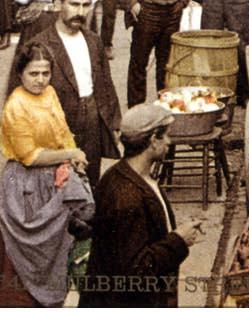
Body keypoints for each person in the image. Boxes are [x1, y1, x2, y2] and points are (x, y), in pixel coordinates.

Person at [0, 43, 97, 308]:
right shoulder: (16, 105)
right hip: (24, 185)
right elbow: (30, 156)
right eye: (34, 74)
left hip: (55, 177)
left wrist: (72, 157)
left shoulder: (50, 93)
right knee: (23, 258)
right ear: (20, 74)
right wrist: (70, 154)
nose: (41, 80)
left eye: (45, 73)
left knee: (62, 249)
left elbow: (63, 131)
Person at [81, 103, 205, 306]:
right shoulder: (127, 197)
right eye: (165, 136)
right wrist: (178, 240)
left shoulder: (119, 175)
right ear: (153, 140)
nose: (169, 142)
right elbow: (136, 271)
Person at [5, 0, 122, 187]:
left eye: (86, 5)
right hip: (56, 124)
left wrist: (114, 122)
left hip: (92, 122)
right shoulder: (39, 45)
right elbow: (17, 92)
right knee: (55, 186)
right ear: (59, 4)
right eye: (74, 4)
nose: (81, 12)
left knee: (89, 183)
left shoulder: (93, 41)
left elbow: (105, 83)